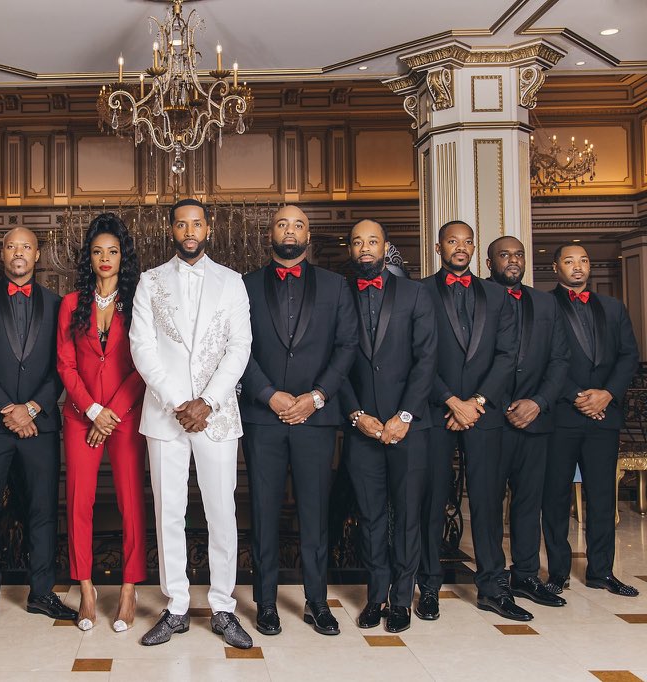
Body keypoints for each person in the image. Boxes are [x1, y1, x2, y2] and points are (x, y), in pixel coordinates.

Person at [130, 198, 254, 650]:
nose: (189, 231)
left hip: (216, 416)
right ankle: (177, 606)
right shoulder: (149, 281)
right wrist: (179, 403)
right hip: (166, 415)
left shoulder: (232, 282)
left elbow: (240, 347)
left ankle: (223, 607)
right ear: (171, 230)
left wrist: (207, 402)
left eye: (196, 223)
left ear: (208, 228)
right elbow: (141, 348)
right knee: (169, 513)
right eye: (181, 224)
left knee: (221, 512)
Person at [240, 205, 358, 637]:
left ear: (309, 235)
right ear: (270, 233)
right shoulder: (245, 285)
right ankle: (266, 603)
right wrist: (268, 395)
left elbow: (347, 346)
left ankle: (316, 602)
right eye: (282, 224)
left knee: (315, 513)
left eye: (298, 225)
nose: (289, 231)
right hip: (263, 417)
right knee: (263, 512)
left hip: (316, 418)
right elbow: (237, 348)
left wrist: (317, 396)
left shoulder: (335, 286)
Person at [0, 227, 76, 630]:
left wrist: (31, 408)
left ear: (37, 254)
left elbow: (62, 366)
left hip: (39, 427)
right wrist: (7, 408)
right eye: (11, 247)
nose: (19, 253)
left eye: (26, 246)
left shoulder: (57, 304)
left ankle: (41, 593)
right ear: (3, 254)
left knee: (42, 510)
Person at [418, 221, 528, 621]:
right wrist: (451, 400)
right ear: (439, 248)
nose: (460, 248)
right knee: (432, 501)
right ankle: (428, 587)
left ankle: (492, 588)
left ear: (474, 248)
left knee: (487, 501)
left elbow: (507, 354)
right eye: (452, 241)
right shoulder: (420, 292)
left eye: (467, 242)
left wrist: (476, 403)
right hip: (437, 412)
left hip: (484, 413)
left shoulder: (497, 295)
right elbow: (418, 354)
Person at [338, 219, 436, 634]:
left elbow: (426, 359)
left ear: (385, 247)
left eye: (372, 241)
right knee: (370, 516)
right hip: (362, 428)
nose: (365, 247)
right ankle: (376, 595)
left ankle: (401, 600)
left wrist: (405, 416)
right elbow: (335, 364)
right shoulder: (340, 295)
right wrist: (356, 414)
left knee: (408, 516)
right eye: (357, 242)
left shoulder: (415, 294)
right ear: (350, 249)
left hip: (408, 428)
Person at [56, 213, 146, 632]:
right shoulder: (71, 304)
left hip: (126, 415)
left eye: (112, 251)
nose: (105, 258)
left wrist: (112, 413)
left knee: (131, 501)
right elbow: (66, 364)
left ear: (122, 256)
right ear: (88, 258)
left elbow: (144, 364)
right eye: (97, 251)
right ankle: (87, 589)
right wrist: (93, 411)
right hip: (81, 416)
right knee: (80, 501)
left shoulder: (139, 301)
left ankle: (129, 589)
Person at [542, 244, 640, 597]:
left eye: (583, 260)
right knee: (555, 497)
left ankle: (601, 572)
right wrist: (578, 396)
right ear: (556, 267)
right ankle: (558, 573)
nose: (578, 267)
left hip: (604, 417)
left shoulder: (613, 307)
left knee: (602, 497)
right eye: (569, 261)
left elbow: (628, 356)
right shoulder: (544, 305)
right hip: (562, 415)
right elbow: (542, 359)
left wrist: (607, 394)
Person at [485, 236, 569, 609]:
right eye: (504, 255)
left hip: (536, 419)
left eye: (518, 254)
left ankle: (526, 575)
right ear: (490, 263)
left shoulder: (547, 303)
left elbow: (560, 360)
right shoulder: (478, 297)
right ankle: (493, 580)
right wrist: (499, 403)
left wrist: (538, 402)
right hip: (491, 419)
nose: (513, 260)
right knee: (488, 503)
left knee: (529, 502)